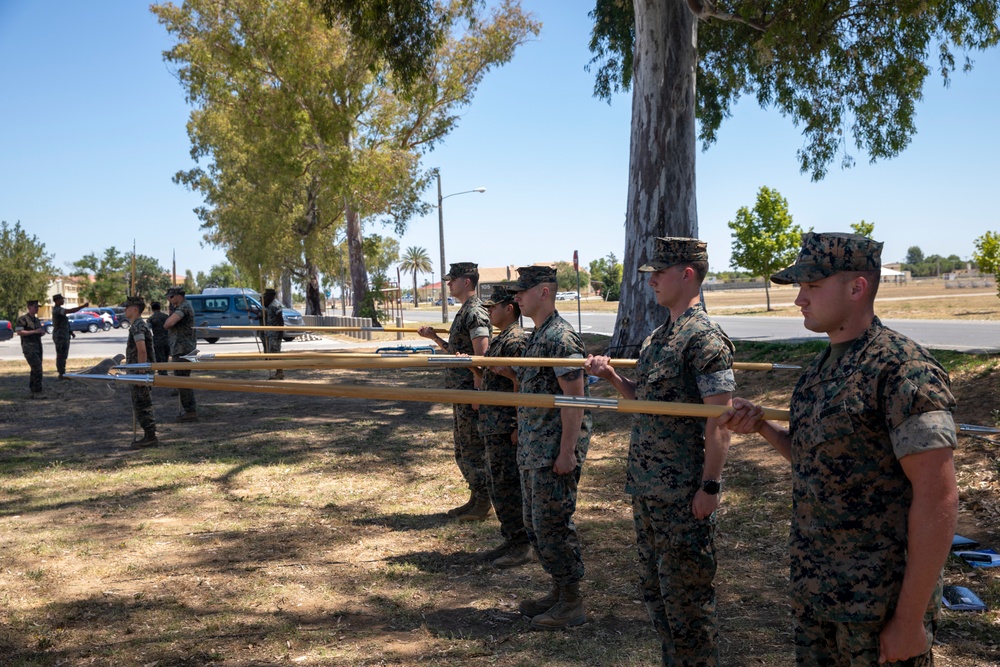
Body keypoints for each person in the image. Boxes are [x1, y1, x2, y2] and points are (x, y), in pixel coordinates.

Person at [718, 232, 958, 666]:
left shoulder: (904, 370)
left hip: (878, 608)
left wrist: (909, 620)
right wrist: (764, 428)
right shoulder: (819, 369)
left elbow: (937, 496)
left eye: (811, 286)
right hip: (817, 593)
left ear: (857, 287)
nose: (799, 300)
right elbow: (823, 462)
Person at [586, 237, 734, 666]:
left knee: (687, 601)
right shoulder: (658, 337)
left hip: (683, 492)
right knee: (657, 594)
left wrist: (710, 485)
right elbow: (643, 399)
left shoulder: (704, 338)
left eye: (659, 272)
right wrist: (613, 377)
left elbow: (719, 419)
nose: (650, 280)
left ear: (687, 275)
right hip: (649, 488)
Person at [510, 265, 592, 630]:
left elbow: (574, 398)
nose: (517, 296)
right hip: (534, 449)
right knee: (535, 525)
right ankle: (559, 590)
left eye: (523, 290)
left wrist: (567, 451)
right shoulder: (538, 334)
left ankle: (572, 601)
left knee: (552, 525)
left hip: (553, 451)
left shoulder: (561, 337)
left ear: (544, 291)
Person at [417, 262, 492, 521]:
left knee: (473, 449)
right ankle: (476, 497)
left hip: (471, 393)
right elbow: (461, 353)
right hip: (462, 393)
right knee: (463, 448)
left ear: (467, 282)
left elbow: (481, 357)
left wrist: (478, 393)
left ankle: (483, 502)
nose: (448, 284)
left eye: (452, 280)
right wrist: (436, 339)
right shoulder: (465, 311)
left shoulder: (476, 312)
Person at [477, 283, 532, 569]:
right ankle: (511, 538)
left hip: (506, 426)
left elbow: (524, 386)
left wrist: (518, 425)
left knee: (509, 486)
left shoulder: (516, 341)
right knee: (498, 485)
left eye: (492, 307)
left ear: (508, 309)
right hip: (493, 424)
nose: (488, 312)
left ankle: (521, 544)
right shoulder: (502, 339)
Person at [124, 296, 158, 447]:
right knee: (140, 403)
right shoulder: (137, 325)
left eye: (127, 307)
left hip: (139, 372)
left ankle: (150, 437)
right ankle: (149, 435)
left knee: (142, 404)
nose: (125, 309)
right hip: (138, 371)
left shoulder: (138, 325)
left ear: (135, 309)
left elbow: (142, 351)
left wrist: (140, 373)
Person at [163, 286, 199, 422]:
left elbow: (168, 323)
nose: (169, 299)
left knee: (182, 381)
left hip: (183, 350)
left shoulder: (183, 308)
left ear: (179, 296)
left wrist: (170, 315)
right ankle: (189, 409)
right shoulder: (181, 306)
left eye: (171, 297)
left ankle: (190, 411)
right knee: (182, 381)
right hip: (180, 349)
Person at [50, 293, 90, 379]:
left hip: (64, 335)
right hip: (60, 336)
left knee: (64, 355)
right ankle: (61, 373)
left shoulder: (59, 309)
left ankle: (63, 372)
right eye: (61, 299)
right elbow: (70, 311)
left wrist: (70, 332)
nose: (63, 301)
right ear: (57, 301)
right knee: (61, 355)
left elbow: (64, 323)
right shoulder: (57, 310)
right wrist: (82, 306)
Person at [15, 299, 47, 398]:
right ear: (29, 307)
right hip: (29, 347)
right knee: (37, 367)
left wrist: (41, 332)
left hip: (37, 346)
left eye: (38, 307)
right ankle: (37, 392)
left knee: (35, 368)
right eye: (35, 307)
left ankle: (33, 390)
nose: (37, 309)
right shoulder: (23, 319)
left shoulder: (36, 320)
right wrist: (34, 332)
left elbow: (38, 331)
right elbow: (19, 332)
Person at [262, 288, 285, 380]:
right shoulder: (270, 305)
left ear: (271, 296)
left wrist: (281, 332)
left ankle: (280, 372)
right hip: (271, 333)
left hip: (275, 334)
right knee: (272, 352)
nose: (265, 297)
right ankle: (278, 371)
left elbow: (280, 319)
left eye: (266, 296)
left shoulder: (275, 305)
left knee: (275, 353)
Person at [147, 301, 171, 376]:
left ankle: (162, 374)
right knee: (165, 357)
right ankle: (165, 372)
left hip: (157, 340)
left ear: (152, 309)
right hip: (167, 340)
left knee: (160, 358)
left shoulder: (151, 318)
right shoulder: (166, 316)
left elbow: (148, 329)